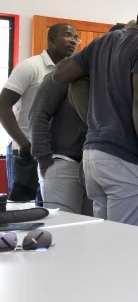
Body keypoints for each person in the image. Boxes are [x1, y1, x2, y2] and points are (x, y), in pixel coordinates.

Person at [53, 3, 138, 227]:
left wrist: (97, 64)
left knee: (106, 242)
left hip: (93, 158)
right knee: (127, 246)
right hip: (124, 160)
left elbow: (60, 74)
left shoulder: (103, 42)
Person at [0, 23, 78, 201]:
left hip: (54, 153)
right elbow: (3, 105)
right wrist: (24, 142)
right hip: (25, 151)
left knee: (47, 209)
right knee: (21, 210)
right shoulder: (30, 67)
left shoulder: (72, 72)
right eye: (68, 36)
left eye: (76, 38)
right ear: (51, 40)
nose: (73, 41)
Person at [28, 70, 90, 215]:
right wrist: (43, 159)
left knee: (91, 229)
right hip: (62, 162)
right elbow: (38, 115)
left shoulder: (105, 77)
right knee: (64, 226)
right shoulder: (63, 74)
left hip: (93, 165)